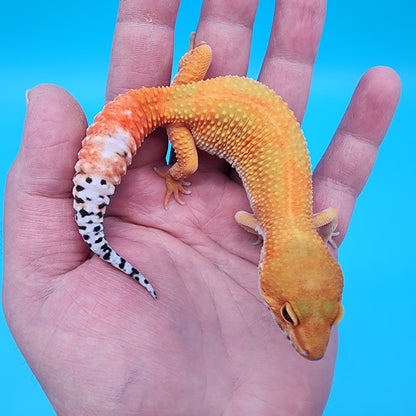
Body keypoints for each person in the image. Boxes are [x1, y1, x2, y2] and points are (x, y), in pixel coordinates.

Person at [2, 0, 400, 415]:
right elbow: (262, 219)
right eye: (287, 314)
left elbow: (319, 221)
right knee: (187, 164)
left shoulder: (308, 222)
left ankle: (188, 68)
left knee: (206, 53)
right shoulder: (286, 223)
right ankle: (168, 175)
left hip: (193, 89)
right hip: (185, 118)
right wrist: (175, 174)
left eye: (329, 316)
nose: (309, 342)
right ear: (268, 269)